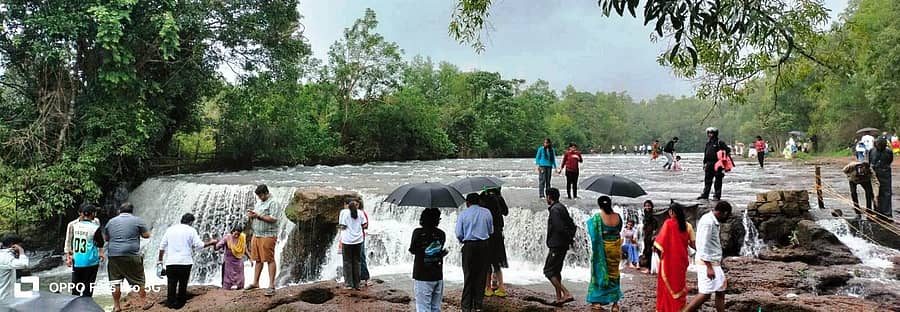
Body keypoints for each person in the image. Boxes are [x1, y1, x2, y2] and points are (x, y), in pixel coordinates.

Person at [157, 213, 218, 309]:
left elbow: (161, 247)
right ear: (190, 222)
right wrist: (211, 242)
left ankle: (170, 305)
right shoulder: (191, 230)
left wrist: (159, 262)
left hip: (171, 262)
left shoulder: (170, 230)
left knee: (171, 285)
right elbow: (199, 245)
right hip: (185, 262)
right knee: (183, 284)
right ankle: (180, 306)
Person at [684, 201, 733, 312]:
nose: (727, 218)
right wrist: (708, 267)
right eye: (728, 215)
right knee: (705, 294)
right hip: (707, 263)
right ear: (724, 213)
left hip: (713, 262)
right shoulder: (708, 223)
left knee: (720, 291)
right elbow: (702, 245)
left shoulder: (710, 220)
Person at [103, 202, 152, 311]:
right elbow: (146, 235)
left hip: (113, 255)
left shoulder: (111, 222)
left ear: (120, 211)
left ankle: (116, 306)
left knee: (115, 282)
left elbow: (106, 238)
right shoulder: (137, 220)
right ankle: (144, 302)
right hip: (131, 254)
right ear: (132, 211)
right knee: (139, 279)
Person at [455, 193, 493, 312]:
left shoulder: (463, 214)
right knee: (481, 275)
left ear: (467, 203)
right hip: (484, 246)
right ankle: (478, 305)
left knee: (468, 276)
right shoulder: (487, 212)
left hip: (469, 246)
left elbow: (458, 234)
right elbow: (491, 230)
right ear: (479, 201)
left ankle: (466, 306)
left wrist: (464, 240)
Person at [586, 196, 623, 311]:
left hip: (604, 249)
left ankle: (597, 301)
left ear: (599, 205)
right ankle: (615, 304)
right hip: (616, 249)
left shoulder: (598, 217)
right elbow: (619, 229)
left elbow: (593, 232)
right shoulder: (618, 216)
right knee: (614, 274)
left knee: (600, 271)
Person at [654, 202, 691, 312]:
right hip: (682, 259)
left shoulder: (668, 223)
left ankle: (666, 308)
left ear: (672, 212)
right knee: (679, 283)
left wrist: (655, 246)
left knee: (667, 283)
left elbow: (660, 243)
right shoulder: (687, 225)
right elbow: (692, 243)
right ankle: (679, 307)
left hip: (669, 260)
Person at [409, 208, 448, 312]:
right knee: (435, 307)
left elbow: (412, 250)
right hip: (438, 275)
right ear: (437, 220)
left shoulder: (417, 232)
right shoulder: (441, 234)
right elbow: (438, 251)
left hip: (422, 274)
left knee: (423, 308)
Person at [544, 188, 576, 306]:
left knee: (548, 271)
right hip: (562, 245)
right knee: (556, 271)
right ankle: (559, 298)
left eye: (546, 197)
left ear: (549, 197)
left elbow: (559, 227)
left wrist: (563, 239)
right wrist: (569, 239)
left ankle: (566, 293)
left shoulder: (555, 210)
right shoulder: (561, 207)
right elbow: (572, 225)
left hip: (556, 245)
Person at [247, 184, 279, 296]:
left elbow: (274, 219)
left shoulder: (273, 202)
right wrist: (252, 215)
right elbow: (257, 214)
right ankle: (255, 283)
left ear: (265, 193)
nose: (259, 198)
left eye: (260, 195)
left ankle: (271, 285)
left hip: (268, 235)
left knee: (269, 259)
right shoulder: (260, 202)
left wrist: (258, 216)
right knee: (258, 259)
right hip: (257, 234)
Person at [70, 203, 105, 297]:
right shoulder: (94, 228)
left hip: (77, 260)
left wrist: (69, 256)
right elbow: (101, 242)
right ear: (92, 214)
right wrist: (101, 253)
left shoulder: (75, 226)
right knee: (88, 289)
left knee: (75, 289)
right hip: (90, 261)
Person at [480, 188, 509, 298]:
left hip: (486, 234)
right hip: (498, 233)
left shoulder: (483, 199)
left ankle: (488, 288)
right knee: (497, 262)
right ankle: (500, 287)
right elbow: (505, 212)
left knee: (486, 262)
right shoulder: (498, 198)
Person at [339, 199, 368, 290]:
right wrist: (357, 227)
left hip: (347, 241)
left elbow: (342, 226)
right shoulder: (360, 212)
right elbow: (365, 225)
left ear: (346, 205)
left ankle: (349, 284)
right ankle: (357, 283)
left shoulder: (344, 212)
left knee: (347, 262)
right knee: (357, 261)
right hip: (358, 240)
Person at [698, 128, 731, 200]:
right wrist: (704, 163)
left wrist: (722, 157)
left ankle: (717, 195)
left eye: (711, 133)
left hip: (718, 163)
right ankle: (705, 194)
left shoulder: (720, 142)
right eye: (708, 133)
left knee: (718, 180)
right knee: (707, 180)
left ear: (715, 134)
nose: (709, 135)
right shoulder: (708, 143)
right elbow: (705, 154)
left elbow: (728, 150)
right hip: (709, 163)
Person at [215, 224, 247, 290]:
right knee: (228, 279)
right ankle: (226, 291)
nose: (236, 236)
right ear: (232, 232)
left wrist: (250, 258)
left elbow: (244, 248)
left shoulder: (242, 238)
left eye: (238, 234)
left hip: (238, 261)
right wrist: (216, 245)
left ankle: (239, 289)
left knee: (240, 278)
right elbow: (218, 246)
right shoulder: (227, 237)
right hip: (229, 262)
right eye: (235, 234)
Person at [869, 139, 894, 221]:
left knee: (886, 193)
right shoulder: (872, 151)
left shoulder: (888, 151)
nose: (879, 147)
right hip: (875, 174)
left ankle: (887, 214)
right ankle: (877, 212)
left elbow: (890, 161)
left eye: (881, 146)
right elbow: (870, 161)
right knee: (876, 193)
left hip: (885, 173)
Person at [0, 234, 28, 305]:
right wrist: (21, 252)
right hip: (4, 299)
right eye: (20, 245)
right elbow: (23, 265)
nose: (21, 247)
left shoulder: (3, 255)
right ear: (13, 245)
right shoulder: (6, 257)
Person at [639, 200, 658, 273]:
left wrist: (653, 236)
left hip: (651, 236)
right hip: (646, 236)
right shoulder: (645, 216)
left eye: (649, 206)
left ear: (652, 207)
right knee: (647, 251)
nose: (647, 207)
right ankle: (650, 268)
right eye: (646, 206)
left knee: (649, 251)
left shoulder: (652, 216)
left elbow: (655, 228)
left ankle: (649, 269)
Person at [358, 200, 371, 286]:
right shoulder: (349, 213)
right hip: (355, 238)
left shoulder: (362, 213)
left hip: (360, 238)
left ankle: (366, 278)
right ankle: (357, 278)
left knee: (361, 257)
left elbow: (366, 226)